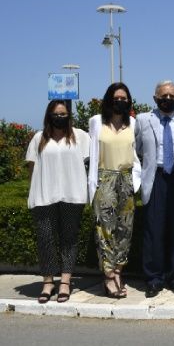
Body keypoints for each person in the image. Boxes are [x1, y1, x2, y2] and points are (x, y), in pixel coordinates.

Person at [26, 100, 90, 303]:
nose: (59, 117)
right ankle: (47, 282)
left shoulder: (80, 136)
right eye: (56, 114)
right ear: (49, 116)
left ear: (69, 116)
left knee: (69, 240)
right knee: (46, 240)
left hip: (73, 195)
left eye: (63, 114)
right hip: (44, 196)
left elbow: (89, 165)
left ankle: (65, 281)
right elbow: (31, 168)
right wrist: (33, 192)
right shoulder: (39, 138)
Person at [135, 80, 174, 298]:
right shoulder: (142, 119)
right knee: (153, 230)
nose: (167, 99)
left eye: (171, 96)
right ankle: (154, 278)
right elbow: (137, 149)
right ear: (155, 98)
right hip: (155, 177)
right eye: (163, 96)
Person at [88, 82, 142, 298]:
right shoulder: (96, 122)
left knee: (124, 230)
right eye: (116, 98)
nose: (120, 101)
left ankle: (118, 271)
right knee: (104, 229)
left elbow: (137, 153)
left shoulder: (134, 124)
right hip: (104, 178)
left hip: (126, 179)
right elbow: (91, 152)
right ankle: (108, 276)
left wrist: (135, 181)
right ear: (109, 100)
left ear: (129, 101)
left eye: (124, 98)